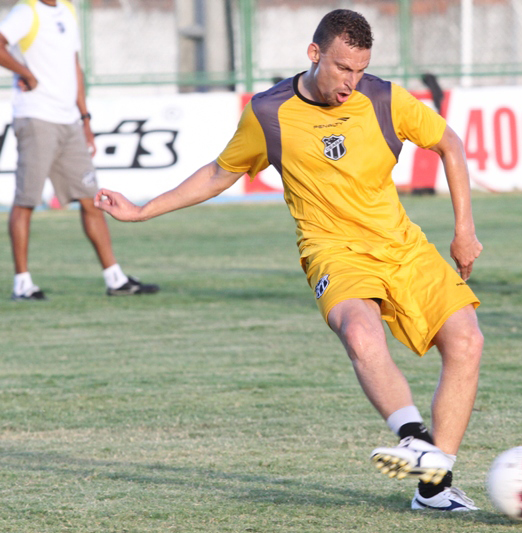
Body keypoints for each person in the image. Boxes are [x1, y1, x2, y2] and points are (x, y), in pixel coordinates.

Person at [95, 9, 484, 511]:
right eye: (343, 68)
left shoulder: (385, 98)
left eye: (360, 69)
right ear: (314, 53)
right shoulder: (269, 112)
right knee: (359, 331)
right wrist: (145, 210)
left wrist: (464, 230)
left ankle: (433, 484)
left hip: (402, 246)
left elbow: (449, 144)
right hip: (332, 251)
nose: (351, 82)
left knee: (467, 340)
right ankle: (413, 436)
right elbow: (219, 172)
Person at [0, 0, 158, 300]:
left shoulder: (68, 10)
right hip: (36, 118)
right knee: (26, 201)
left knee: (92, 199)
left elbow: (74, 67)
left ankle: (115, 279)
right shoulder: (28, 10)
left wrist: (85, 118)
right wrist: (26, 73)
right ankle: (22, 283)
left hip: (69, 121)